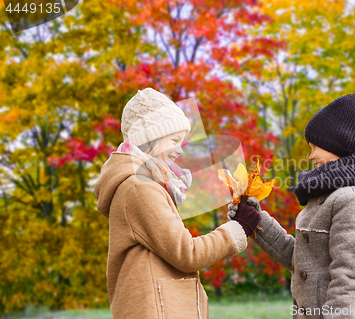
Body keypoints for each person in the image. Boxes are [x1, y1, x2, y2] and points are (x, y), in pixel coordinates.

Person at [95, 87, 261, 319]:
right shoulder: (139, 188)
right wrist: (238, 228)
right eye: (174, 140)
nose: (180, 150)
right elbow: (187, 254)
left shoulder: (142, 184)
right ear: (150, 138)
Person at [229, 93, 355, 319]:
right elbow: (302, 260)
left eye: (316, 147)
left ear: (340, 144)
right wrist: (256, 222)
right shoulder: (324, 199)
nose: (311, 156)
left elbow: (349, 276)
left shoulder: (353, 200)